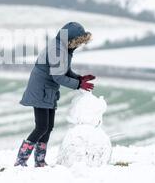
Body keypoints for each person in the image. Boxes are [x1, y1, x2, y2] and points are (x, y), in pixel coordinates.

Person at [15, 22, 95, 167]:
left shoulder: (63, 48)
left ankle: (40, 161)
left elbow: (64, 69)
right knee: (41, 127)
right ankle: (21, 160)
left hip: (48, 90)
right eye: (77, 42)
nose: (77, 46)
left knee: (48, 126)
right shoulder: (57, 50)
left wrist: (79, 78)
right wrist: (78, 85)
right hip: (40, 91)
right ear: (70, 40)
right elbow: (58, 76)